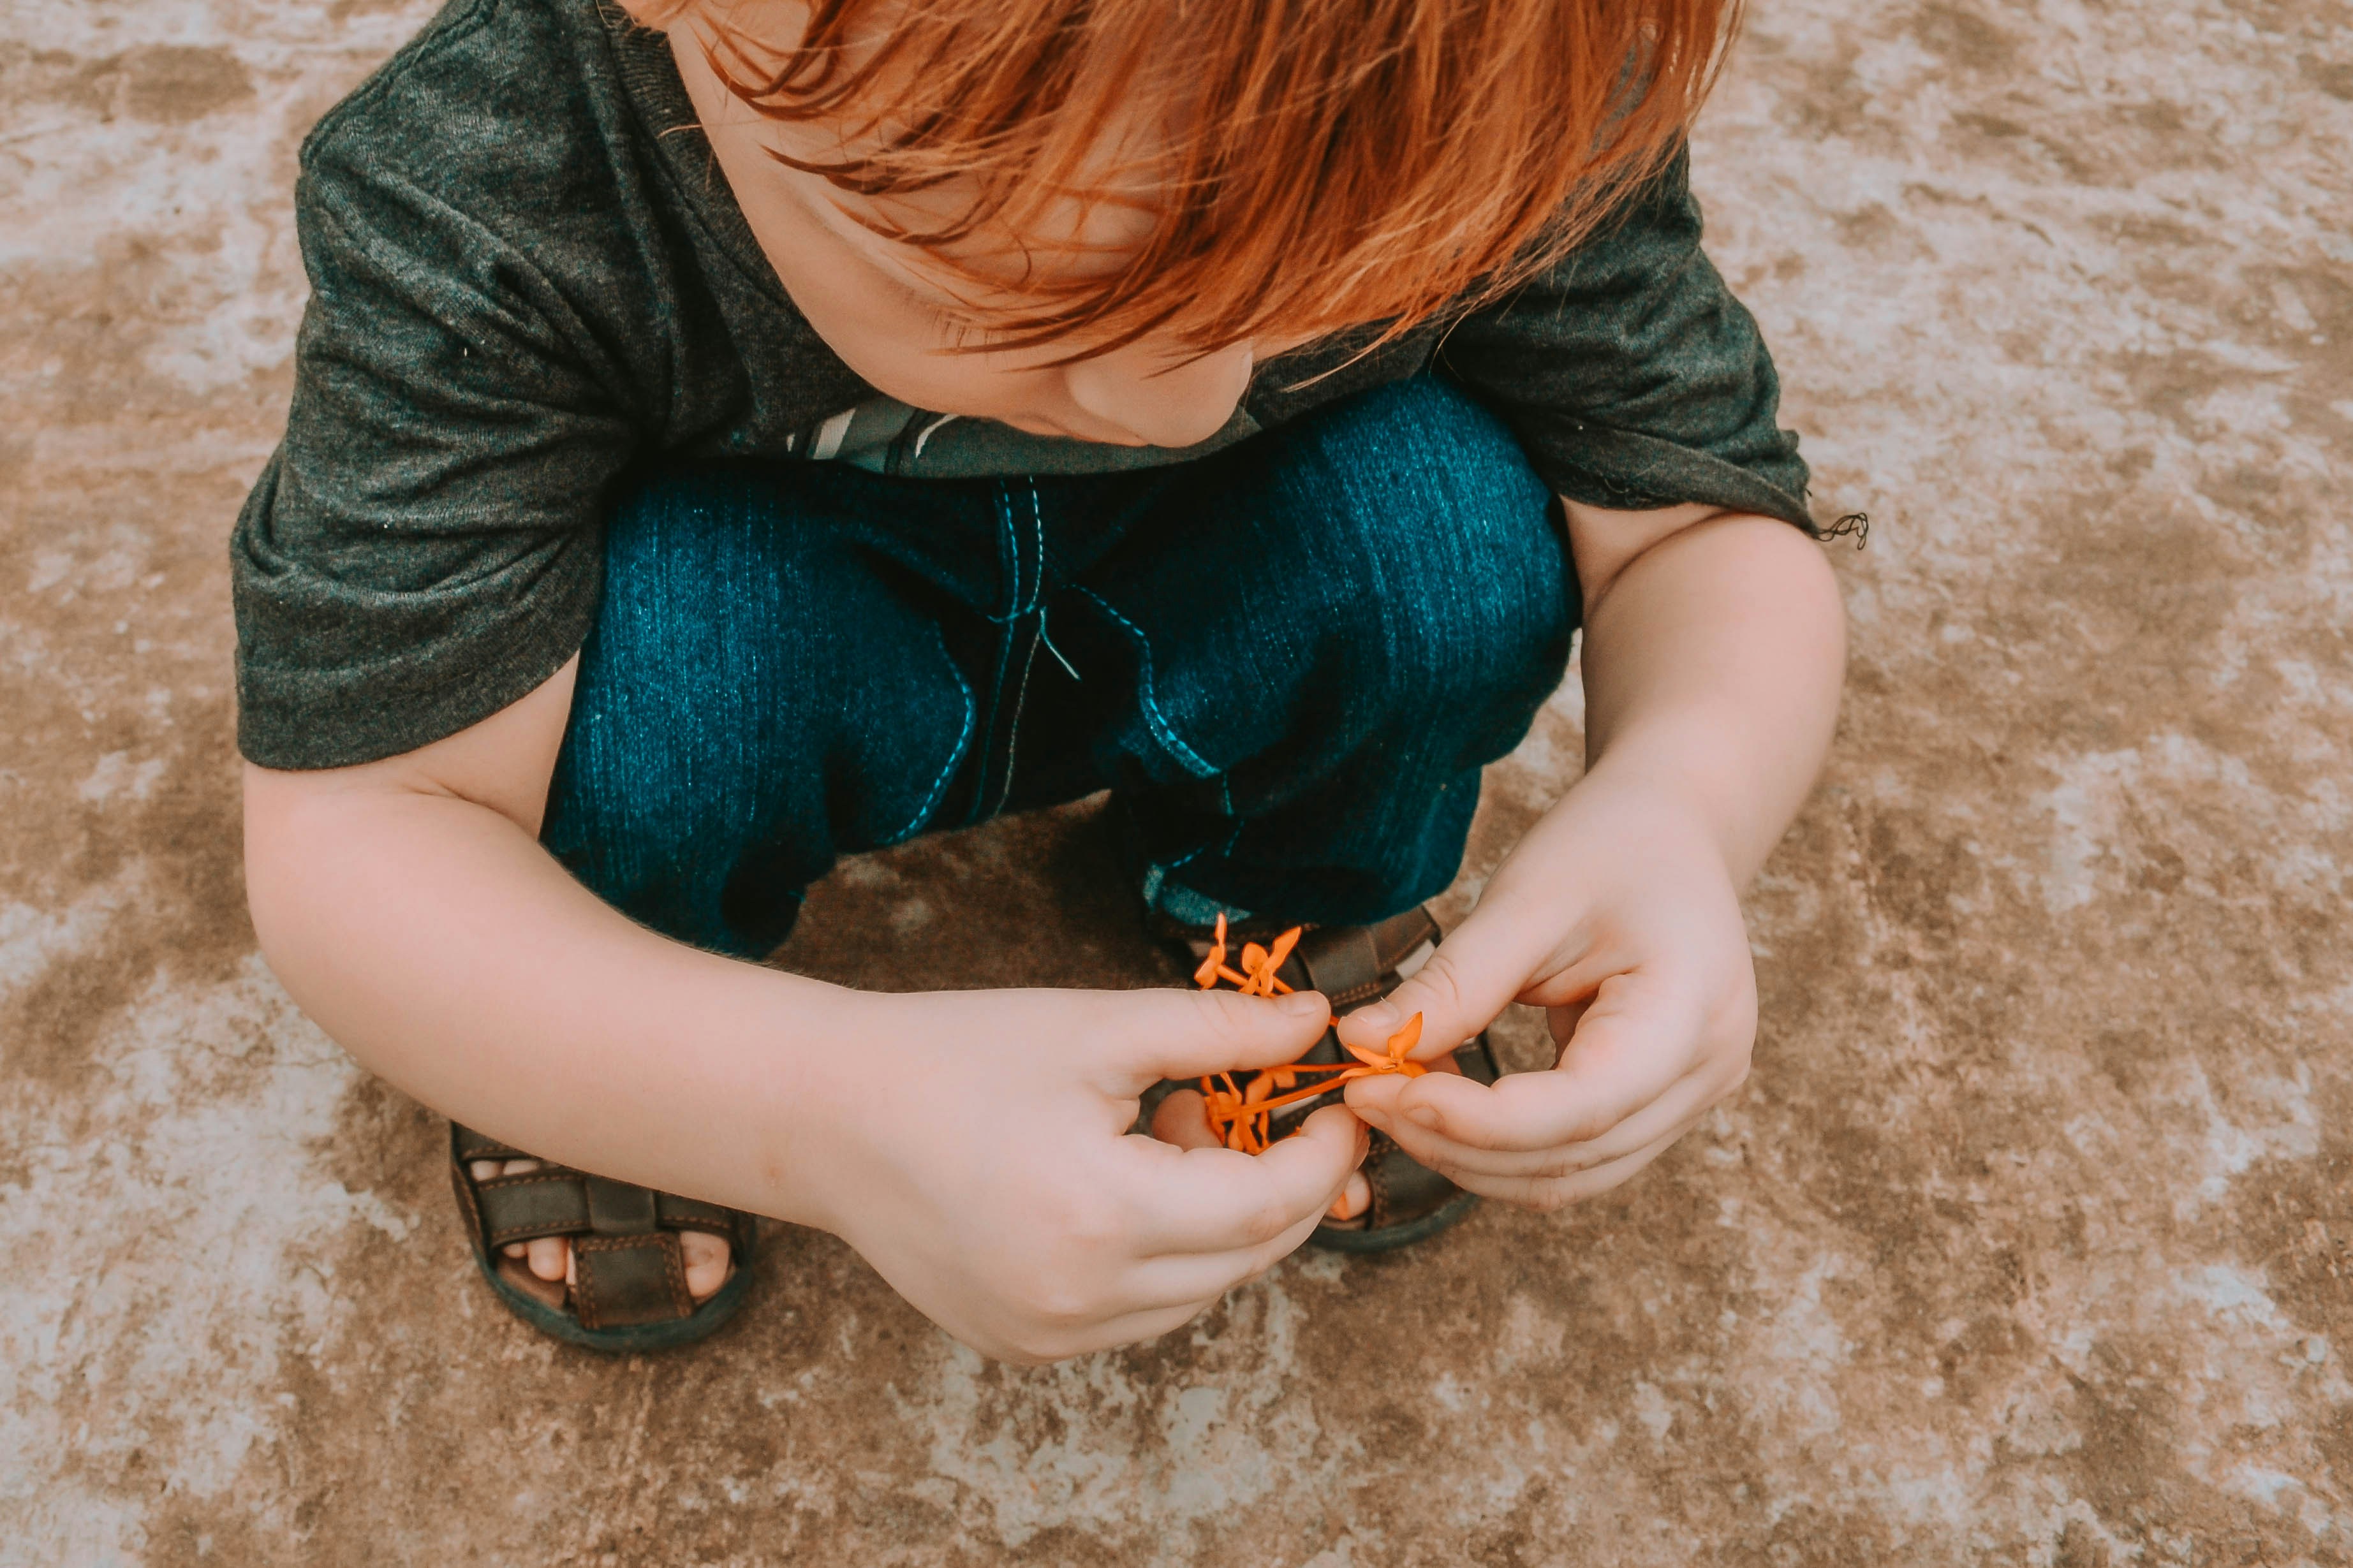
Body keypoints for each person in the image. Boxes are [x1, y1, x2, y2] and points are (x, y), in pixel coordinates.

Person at [234, 0, 1846, 1361]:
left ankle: (1285, 913)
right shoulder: (497, 179)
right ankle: (625, 1050)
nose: (1183, 395)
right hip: (770, 616)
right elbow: (374, 823)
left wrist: (1683, 808)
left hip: (1231, 581)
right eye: (1022, 290)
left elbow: (1696, 516)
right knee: (643, 704)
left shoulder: (1482, 61)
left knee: (1450, 537)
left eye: (1336, 292)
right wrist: (814, 1114)